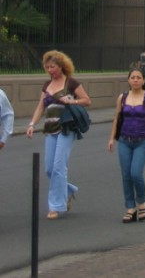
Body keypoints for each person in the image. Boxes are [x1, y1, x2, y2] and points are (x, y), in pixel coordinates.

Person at [25, 50, 92, 220]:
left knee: (58, 167)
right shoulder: (46, 85)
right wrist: (32, 124)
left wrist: (72, 101)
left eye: (52, 66)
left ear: (61, 66)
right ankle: (68, 190)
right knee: (49, 169)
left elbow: (87, 100)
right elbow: (41, 106)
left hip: (66, 128)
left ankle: (55, 206)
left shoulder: (71, 83)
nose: (50, 70)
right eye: (47, 67)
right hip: (50, 128)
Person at [108, 67, 145, 223]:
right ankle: (130, 207)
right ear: (128, 80)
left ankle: (142, 203)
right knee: (126, 175)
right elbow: (117, 118)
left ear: (143, 80)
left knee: (135, 173)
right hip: (124, 140)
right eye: (133, 77)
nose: (136, 80)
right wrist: (112, 138)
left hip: (141, 141)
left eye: (139, 77)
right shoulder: (122, 98)